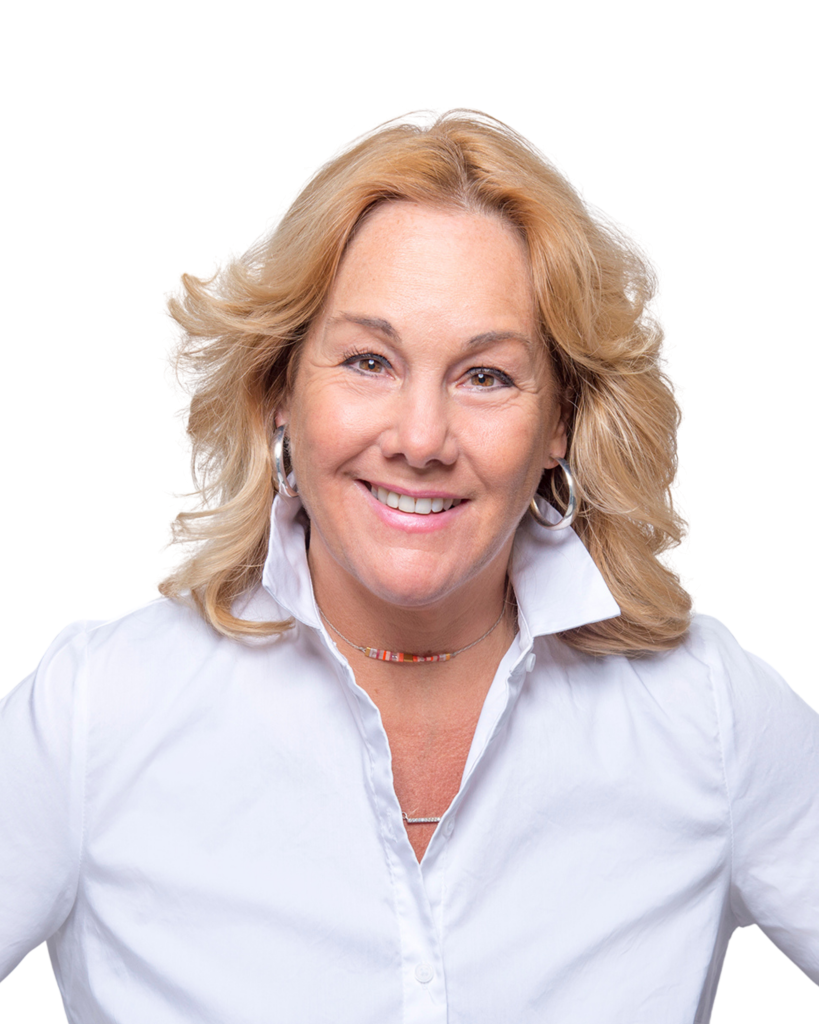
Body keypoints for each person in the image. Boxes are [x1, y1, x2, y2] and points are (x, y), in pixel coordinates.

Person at [1, 107, 816, 1021]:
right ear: (278, 387)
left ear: (559, 421)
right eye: (367, 361)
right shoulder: (96, 712)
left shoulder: (707, 711)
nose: (421, 439)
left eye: (486, 375)